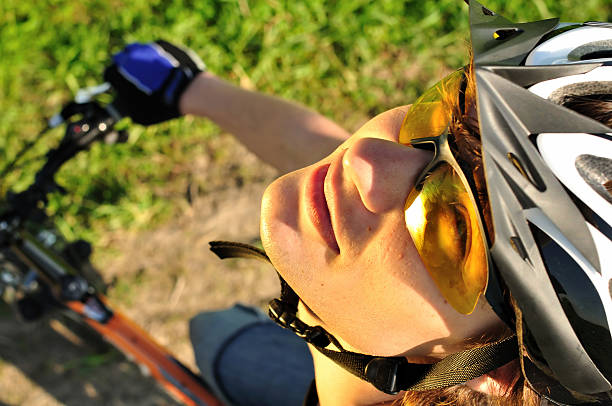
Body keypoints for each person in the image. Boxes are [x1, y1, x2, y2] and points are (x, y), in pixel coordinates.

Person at [104, 1, 612, 405]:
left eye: (448, 222)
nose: (364, 158)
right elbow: (309, 143)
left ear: (496, 372)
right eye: (437, 115)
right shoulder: (379, 193)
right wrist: (191, 89)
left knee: (220, 336)